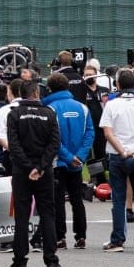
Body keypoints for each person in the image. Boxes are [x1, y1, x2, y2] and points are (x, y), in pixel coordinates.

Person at [2, 81, 62, 267]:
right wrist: (41, 166)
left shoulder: (15, 114)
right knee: (48, 214)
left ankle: (20, 261)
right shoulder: (49, 114)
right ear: (36, 93)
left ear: (20, 94)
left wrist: (29, 167)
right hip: (44, 171)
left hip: (22, 171)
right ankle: (51, 261)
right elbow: (55, 144)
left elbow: (14, 144)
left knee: (21, 215)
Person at [99, 68, 134, 253]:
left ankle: (118, 240)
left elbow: (107, 132)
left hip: (118, 156)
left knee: (118, 198)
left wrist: (122, 151)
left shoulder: (111, 104)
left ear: (117, 85)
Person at [45, 72, 91, 251]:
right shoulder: (82, 107)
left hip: (59, 162)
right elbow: (90, 133)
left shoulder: (51, 108)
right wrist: (80, 156)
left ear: (50, 88)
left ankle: (60, 237)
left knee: (57, 200)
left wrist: (69, 157)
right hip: (77, 162)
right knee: (77, 200)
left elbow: (53, 138)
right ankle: (81, 237)